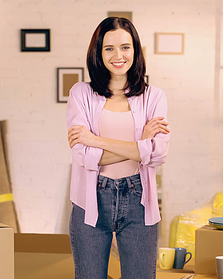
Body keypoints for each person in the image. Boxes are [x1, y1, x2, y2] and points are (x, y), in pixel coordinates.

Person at [66, 17, 170, 279]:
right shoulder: (81, 94)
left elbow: (157, 154)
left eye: (125, 47)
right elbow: (82, 155)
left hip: (139, 199)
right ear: (98, 53)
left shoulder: (154, 97)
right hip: (92, 199)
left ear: (135, 50)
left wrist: (96, 140)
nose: (118, 55)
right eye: (109, 48)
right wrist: (139, 147)